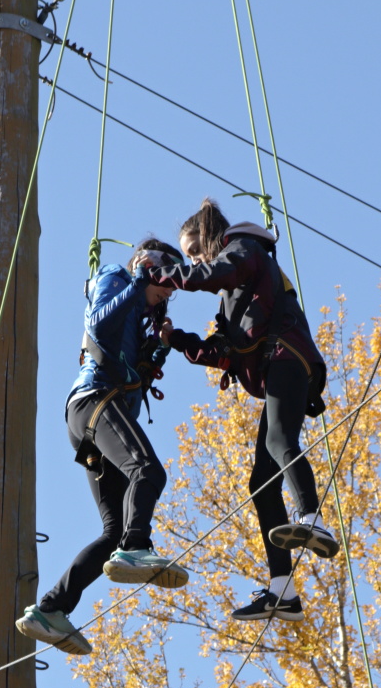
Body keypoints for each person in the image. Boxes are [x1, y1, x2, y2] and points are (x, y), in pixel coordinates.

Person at [142, 199, 338, 625]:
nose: (196, 260)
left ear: (211, 234)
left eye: (196, 250)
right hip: (275, 367)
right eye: (190, 255)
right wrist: (177, 340)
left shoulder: (244, 248)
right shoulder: (236, 295)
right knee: (261, 484)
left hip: (288, 358)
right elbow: (226, 352)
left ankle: (312, 517)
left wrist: (163, 273)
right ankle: (283, 590)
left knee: (280, 440)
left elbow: (213, 273)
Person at [16, 239, 189, 656]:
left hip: (93, 418)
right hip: (95, 401)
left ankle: (50, 610)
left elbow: (131, 369)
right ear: (148, 266)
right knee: (148, 471)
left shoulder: (139, 316)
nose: (169, 293)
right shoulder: (117, 277)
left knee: (113, 531)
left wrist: (159, 348)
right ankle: (137, 547)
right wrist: (138, 284)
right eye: (167, 282)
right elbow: (98, 324)